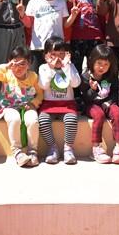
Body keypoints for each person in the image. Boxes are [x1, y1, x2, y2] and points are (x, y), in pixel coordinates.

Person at [0, 46, 43, 167]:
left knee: (33, 120)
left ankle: (33, 151)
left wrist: (33, 103)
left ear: (29, 64)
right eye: (15, 64)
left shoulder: (33, 76)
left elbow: (40, 94)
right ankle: (17, 152)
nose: (18, 68)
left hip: (27, 106)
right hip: (9, 107)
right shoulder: (6, 74)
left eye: (22, 64)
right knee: (14, 119)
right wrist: (6, 66)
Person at [37, 37, 82, 165]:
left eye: (61, 54)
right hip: (49, 104)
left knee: (71, 120)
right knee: (43, 120)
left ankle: (68, 148)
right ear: (46, 55)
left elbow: (76, 83)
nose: (57, 58)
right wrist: (51, 68)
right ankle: (52, 148)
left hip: (67, 104)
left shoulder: (70, 66)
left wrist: (66, 66)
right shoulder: (43, 68)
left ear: (67, 54)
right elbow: (43, 85)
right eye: (53, 54)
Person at [78, 44, 119, 164]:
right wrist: (92, 90)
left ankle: (118, 147)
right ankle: (96, 148)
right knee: (99, 115)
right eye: (99, 63)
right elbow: (85, 98)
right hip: (91, 105)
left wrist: (110, 102)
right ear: (92, 61)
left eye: (106, 64)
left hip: (107, 103)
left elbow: (115, 92)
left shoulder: (111, 77)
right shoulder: (85, 77)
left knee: (117, 114)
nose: (102, 67)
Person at [22, 0, 71, 70]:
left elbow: (66, 24)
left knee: (58, 76)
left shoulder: (62, 2)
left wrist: (74, 15)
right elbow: (28, 24)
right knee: (36, 76)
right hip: (37, 47)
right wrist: (22, 15)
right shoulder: (33, 2)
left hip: (57, 49)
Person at [67, 0, 105, 75]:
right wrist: (70, 1)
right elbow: (67, 18)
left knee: (95, 68)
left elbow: (102, 16)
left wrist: (104, 36)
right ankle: (77, 87)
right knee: (75, 68)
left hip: (96, 37)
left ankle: (96, 87)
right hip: (77, 38)